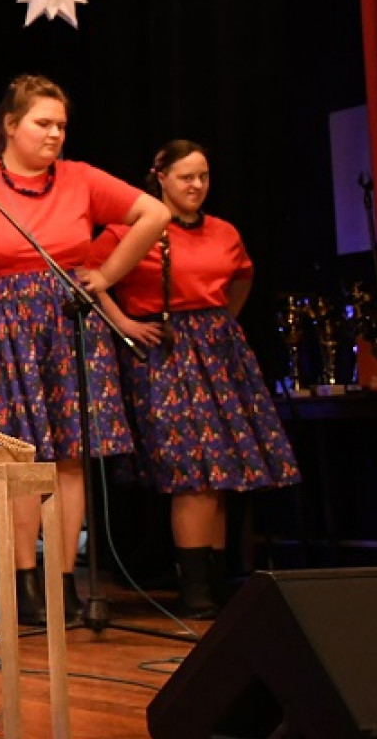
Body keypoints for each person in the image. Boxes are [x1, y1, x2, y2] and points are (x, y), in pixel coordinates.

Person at [0, 74, 168, 626]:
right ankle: (24, 582)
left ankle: (62, 581)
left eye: (61, 125)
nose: (55, 133)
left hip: (66, 329)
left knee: (70, 458)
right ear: (11, 125)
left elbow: (153, 216)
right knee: (20, 458)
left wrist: (105, 275)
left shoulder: (80, 179)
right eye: (43, 123)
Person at [91, 140, 300, 616]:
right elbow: (87, 277)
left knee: (221, 472)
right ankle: (194, 588)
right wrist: (124, 323)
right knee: (193, 474)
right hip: (165, 353)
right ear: (159, 176)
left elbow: (243, 275)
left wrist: (221, 322)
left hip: (218, 352)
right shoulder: (130, 230)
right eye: (186, 177)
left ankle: (215, 581)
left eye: (203, 176)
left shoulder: (224, 231)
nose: (197, 185)